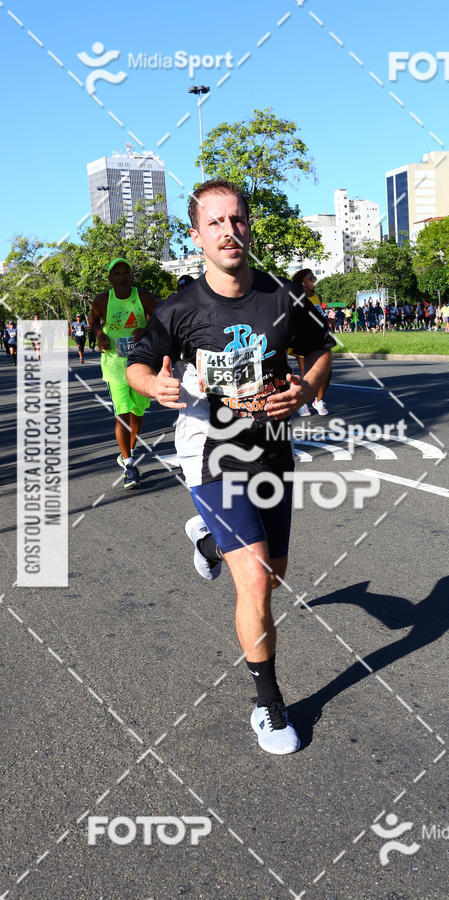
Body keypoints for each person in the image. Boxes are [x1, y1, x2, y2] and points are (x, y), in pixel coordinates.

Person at [126, 179, 333, 755]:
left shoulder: (280, 298)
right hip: (211, 451)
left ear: (249, 226)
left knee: (278, 572)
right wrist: (155, 384)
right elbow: (138, 365)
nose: (228, 231)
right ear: (197, 236)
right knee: (258, 580)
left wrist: (306, 388)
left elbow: (319, 352)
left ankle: (210, 542)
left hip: (271, 449)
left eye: (236, 219)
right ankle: (268, 705)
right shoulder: (180, 308)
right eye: (214, 223)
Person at [89, 259, 159, 488]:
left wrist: (146, 329)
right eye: (117, 273)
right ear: (110, 279)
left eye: (126, 272)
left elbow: (159, 318)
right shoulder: (102, 299)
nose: (122, 277)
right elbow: (93, 320)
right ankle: (129, 465)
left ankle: (126, 452)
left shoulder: (143, 296)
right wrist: (100, 334)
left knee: (137, 414)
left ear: (131, 275)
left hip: (140, 364)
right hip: (114, 367)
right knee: (122, 412)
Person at [291, 269, 330, 416]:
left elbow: (321, 314)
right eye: (311, 278)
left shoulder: (317, 297)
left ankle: (318, 401)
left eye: (314, 278)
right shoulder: (295, 296)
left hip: (319, 338)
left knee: (325, 372)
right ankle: (301, 403)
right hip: (301, 338)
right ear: (302, 281)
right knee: (307, 374)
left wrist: (328, 319)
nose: (314, 280)